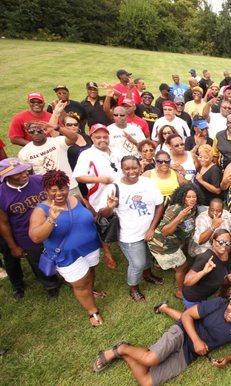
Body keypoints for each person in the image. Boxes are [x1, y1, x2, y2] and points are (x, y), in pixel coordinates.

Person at [93, 295, 231, 386]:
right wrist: (196, 340)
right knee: (150, 359)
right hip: (183, 332)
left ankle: (126, 351)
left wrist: (228, 360)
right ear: (229, 302)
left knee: (147, 384)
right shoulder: (218, 304)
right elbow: (187, 315)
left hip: (189, 355)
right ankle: (119, 349)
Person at [28, 170, 103, 326]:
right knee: (80, 284)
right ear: (46, 191)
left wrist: (108, 208)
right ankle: (92, 311)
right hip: (67, 255)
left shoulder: (77, 199)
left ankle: (91, 291)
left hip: (90, 247)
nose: (59, 193)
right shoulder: (41, 210)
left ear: (68, 187)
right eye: (53, 190)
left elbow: (93, 216)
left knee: (89, 273)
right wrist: (51, 219)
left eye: (62, 189)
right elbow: (35, 237)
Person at [97, 156, 164, 302]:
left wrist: (152, 228)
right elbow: (103, 214)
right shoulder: (114, 188)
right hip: (129, 235)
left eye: (134, 168)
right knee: (137, 263)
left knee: (146, 256)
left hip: (148, 231)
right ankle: (133, 288)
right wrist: (110, 206)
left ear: (140, 167)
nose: (131, 171)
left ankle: (147, 275)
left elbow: (159, 205)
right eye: (127, 168)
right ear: (122, 170)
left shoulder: (148, 183)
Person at [0, 159, 61, 299]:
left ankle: (70, 276)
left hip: (53, 227)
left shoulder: (40, 180)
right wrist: (13, 246)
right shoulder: (1, 194)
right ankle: (51, 285)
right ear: (6, 177)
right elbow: (3, 223)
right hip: (27, 236)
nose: (24, 174)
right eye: (17, 173)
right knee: (39, 261)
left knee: (62, 252)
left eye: (24, 170)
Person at [72, 124, 122, 269]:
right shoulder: (87, 154)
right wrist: (100, 179)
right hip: (100, 194)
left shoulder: (115, 151)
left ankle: (121, 244)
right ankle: (107, 252)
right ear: (91, 137)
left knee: (120, 218)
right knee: (103, 222)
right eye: (98, 137)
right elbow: (78, 176)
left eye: (105, 137)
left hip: (120, 191)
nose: (102, 140)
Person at [148, 184, 199, 299]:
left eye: (194, 197)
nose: (192, 200)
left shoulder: (192, 208)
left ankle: (160, 264)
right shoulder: (175, 209)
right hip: (162, 244)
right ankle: (180, 292)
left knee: (182, 264)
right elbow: (165, 232)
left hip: (174, 243)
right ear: (182, 197)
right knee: (182, 266)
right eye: (188, 197)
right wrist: (179, 217)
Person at [168, 229, 231, 310]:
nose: (224, 246)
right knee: (201, 321)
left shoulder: (224, 253)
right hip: (194, 298)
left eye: (227, 243)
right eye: (221, 242)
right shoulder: (205, 257)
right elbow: (187, 281)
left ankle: (219, 296)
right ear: (213, 241)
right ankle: (164, 308)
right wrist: (203, 272)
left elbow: (226, 266)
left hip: (207, 295)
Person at [17, 112, 80, 195]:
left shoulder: (57, 141)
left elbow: (74, 138)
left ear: (45, 130)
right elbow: (29, 175)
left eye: (39, 130)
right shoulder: (24, 152)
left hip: (69, 186)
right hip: (48, 191)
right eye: (32, 131)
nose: (36, 133)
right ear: (28, 132)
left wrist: (57, 127)